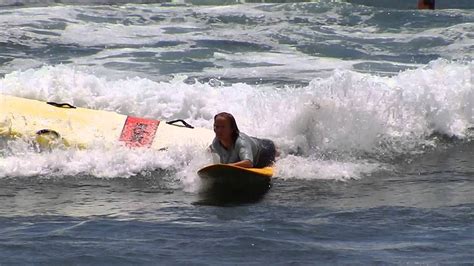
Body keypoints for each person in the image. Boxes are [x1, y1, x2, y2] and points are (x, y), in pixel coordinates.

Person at [209, 112, 276, 168]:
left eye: (223, 127)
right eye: (216, 126)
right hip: (251, 142)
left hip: (265, 150)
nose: (218, 130)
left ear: (232, 129)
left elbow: (248, 163)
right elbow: (211, 148)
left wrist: (225, 167)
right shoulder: (216, 143)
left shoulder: (241, 142)